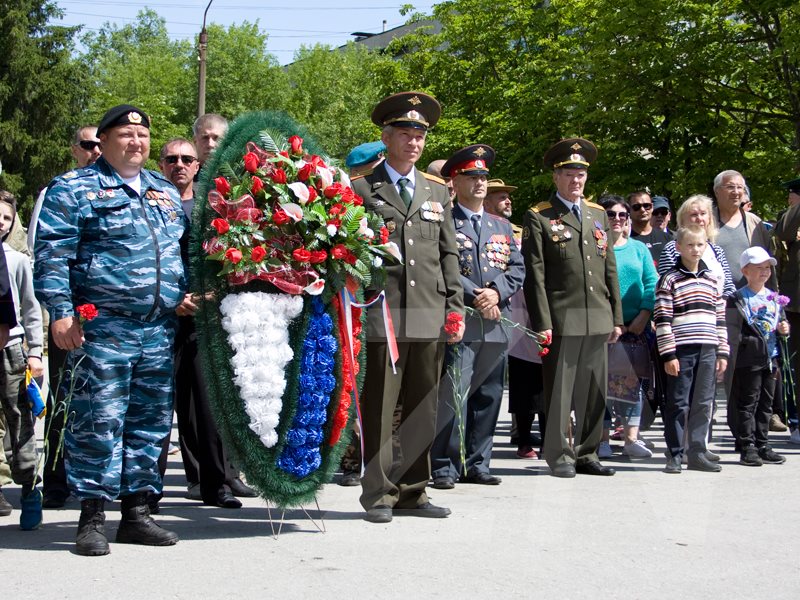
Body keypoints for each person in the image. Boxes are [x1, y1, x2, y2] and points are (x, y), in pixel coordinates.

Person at [34, 104, 189, 556]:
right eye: (125, 134)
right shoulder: (75, 188)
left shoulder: (163, 189)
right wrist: (61, 312)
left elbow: (177, 252)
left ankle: (137, 514)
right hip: (101, 329)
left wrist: (183, 292)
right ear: (103, 141)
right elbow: (53, 255)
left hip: (158, 329)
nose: (135, 142)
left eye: (142, 135)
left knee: (149, 425)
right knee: (98, 423)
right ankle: (91, 518)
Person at [351, 91, 464, 523]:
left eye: (420, 135)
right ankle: (379, 493)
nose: (414, 142)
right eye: (405, 133)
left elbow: (448, 253)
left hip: (429, 310)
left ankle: (413, 491)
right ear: (386, 137)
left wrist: (454, 306)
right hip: (383, 312)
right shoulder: (362, 187)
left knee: (424, 404)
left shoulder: (436, 190)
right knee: (381, 406)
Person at [522, 137, 623, 478]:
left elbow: (609, 268)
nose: (575, 180)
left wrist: (617, 317)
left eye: (580, 173)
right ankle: (559, 455)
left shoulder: (597, 214)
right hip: (562, 317)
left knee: (595, 391)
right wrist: (543, 321)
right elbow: (534, 275)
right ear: (556, 177)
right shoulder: (540, 216)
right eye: (568, 173)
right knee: (560, 392)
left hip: (598, 315)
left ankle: (587, 452)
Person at [155, 138, 244, 510]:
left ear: (196, 166)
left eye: (186, 159)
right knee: (156, 409)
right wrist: (172, 300)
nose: (179, 164)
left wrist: (210, 295)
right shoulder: (148, 203)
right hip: (158, 319)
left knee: (208, 406)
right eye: (171, 159)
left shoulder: (212, 208)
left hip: (202, 318)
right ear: (160, 165)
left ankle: (216, 484)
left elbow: (230, 256)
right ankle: (147, 490)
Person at [430, 145, 524, 488]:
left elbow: (517, 267)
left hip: (497, 319)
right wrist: (478, 295)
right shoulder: (444, 220)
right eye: (473, 176)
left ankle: (478, 463)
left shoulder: (501, 224)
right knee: (454, 392)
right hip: (463, 318)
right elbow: (445, 266)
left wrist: (497, 292)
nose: (481, 183)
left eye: (483, 176)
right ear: (456, 180)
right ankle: (444, 465)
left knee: (489, 394)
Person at [27, 125, 103, 510]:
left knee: (103, 402)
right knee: (63, 397)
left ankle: (100, 483)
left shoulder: (118, 187)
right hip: (72, 315)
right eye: (89, 144)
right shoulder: (60, 190)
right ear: (76, 149)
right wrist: (61, 310)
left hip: (112, 320)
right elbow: (42, 252)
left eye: (100, 143)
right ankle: (56, 480)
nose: (96, 149)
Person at [654, 224, 728, 474]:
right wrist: (669, 354)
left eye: (700, 244)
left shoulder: (711, 280)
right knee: (678, 402)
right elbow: (663, 319)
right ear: (678, 248)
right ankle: (675, 453)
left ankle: (697, 451)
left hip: (708, 347)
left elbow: (719, 317)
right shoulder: (669, 279)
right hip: (682, 349)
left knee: (703, 402)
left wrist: (722, 351)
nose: (696, 250)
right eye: (690, 245)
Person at [599, 195, 658, 458]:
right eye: (611, 214)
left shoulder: (638, 249)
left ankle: (631, 438)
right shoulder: (594, 249)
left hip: (636, 327)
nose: (618, 219)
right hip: (604, 327)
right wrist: (612, 322)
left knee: (631, 382)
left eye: (623, 215)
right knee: (600, 384)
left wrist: (644, 315)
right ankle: (600, 439)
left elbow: (651, 283)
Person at [0, 191, 44, 529]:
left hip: (11, 352)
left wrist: (35, 352)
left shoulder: (16, 261)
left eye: (5, 218)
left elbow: (30, 310)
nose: (0, 223)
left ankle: (30, 488)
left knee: (20, 421)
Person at [727, 247, 788, 466]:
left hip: (770, 358)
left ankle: (763, 443)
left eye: (767, 268)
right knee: (748, 402)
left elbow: (781, 323)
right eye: (758, 268)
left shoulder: (773, 298)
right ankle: (747, 445)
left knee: (766, 404)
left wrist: (784, 328)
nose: (764, 272)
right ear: (745, 270)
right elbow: (733, 330)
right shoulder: (738, 298)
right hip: (748, 359)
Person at [773, 176, 800, 445]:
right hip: (796, 305)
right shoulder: (790, 216)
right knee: (795, 366)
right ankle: (797, 420)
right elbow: (783, 234)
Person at [711, 170, 772, 288]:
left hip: (752, 300)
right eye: (730, 187)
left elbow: (768, 260)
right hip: (716, 299)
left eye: (740, 187)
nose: (736, 192)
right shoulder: (705, 221)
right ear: (717, 191)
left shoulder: (755, 223)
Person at [629, 190, 673, 264]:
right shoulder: (624, 240)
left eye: (646, 206)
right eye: (637, 207)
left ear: (652, 207)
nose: (642, 210)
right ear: (629, 210)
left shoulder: (667, 238)